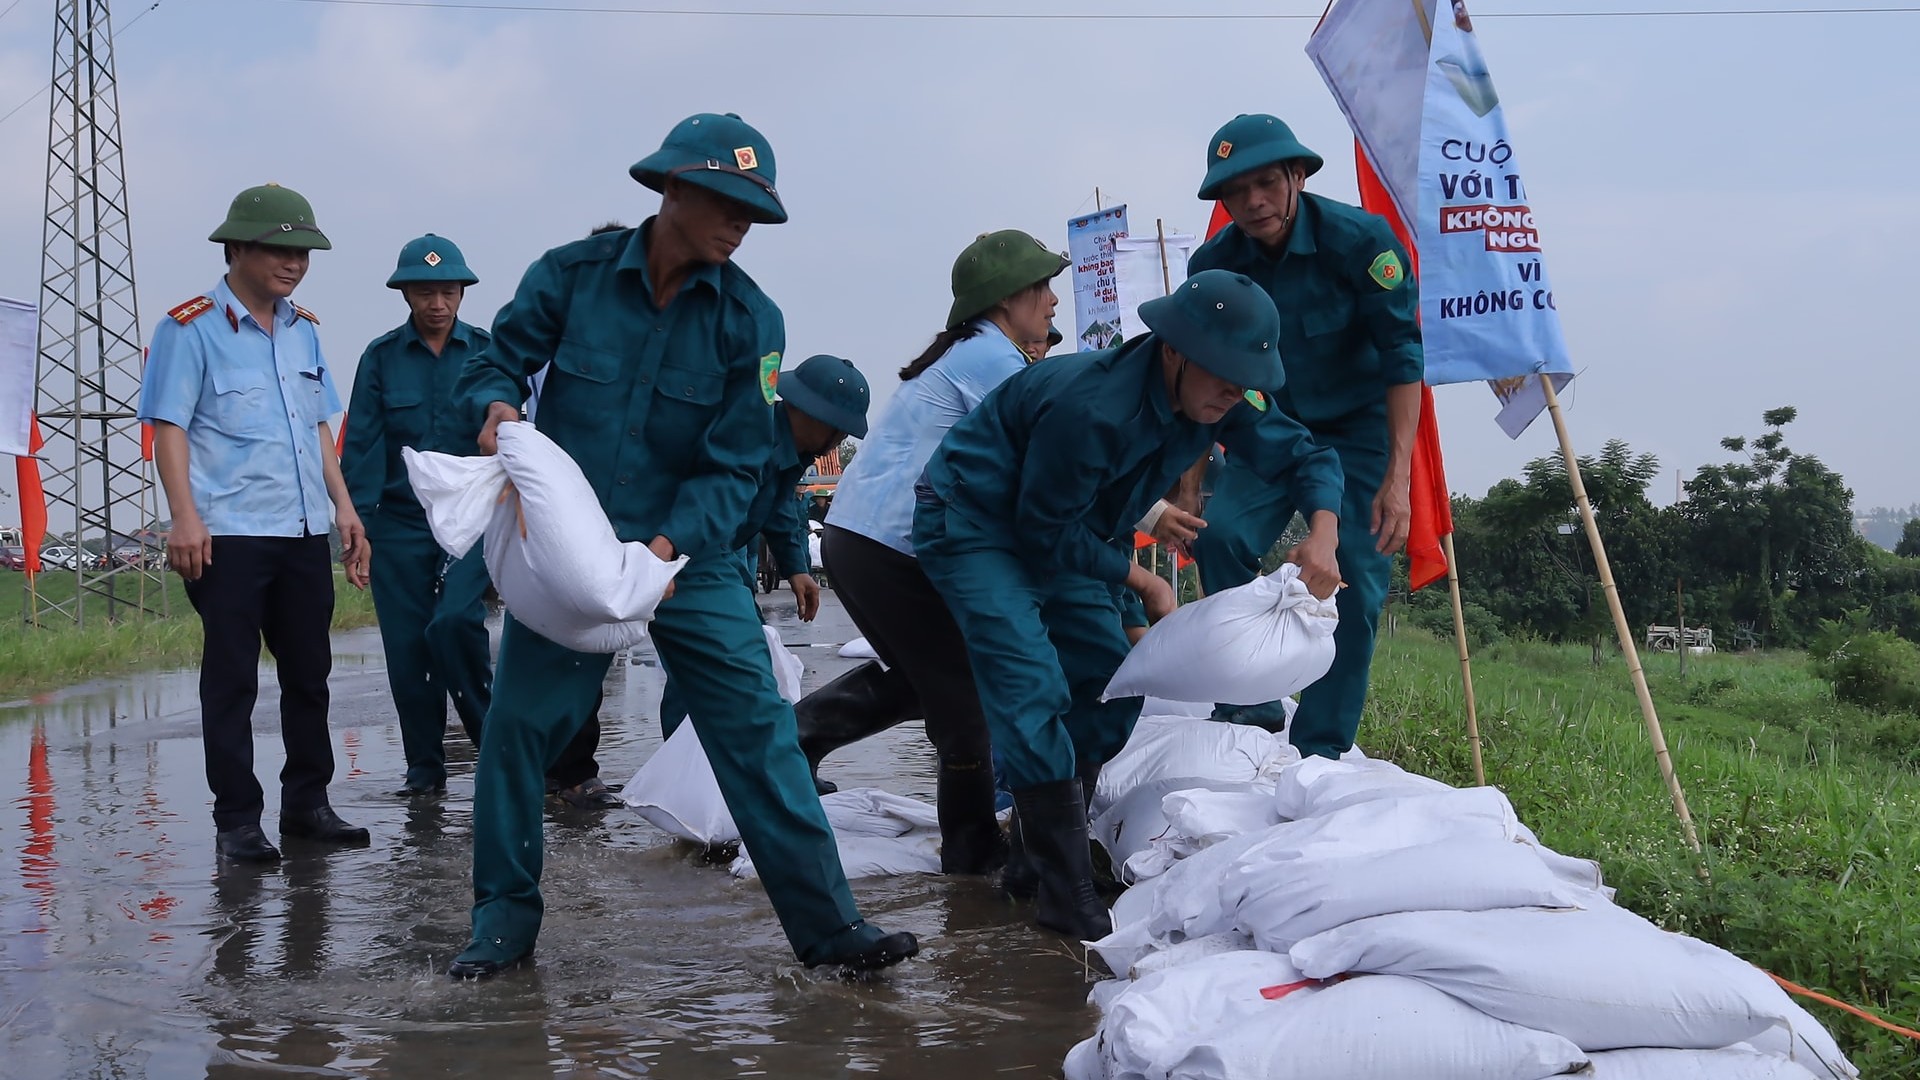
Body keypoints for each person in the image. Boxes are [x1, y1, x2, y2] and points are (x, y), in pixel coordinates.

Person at [445, 112, 914, 979]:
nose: (741, 225)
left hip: (690, 560)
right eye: (727, 204)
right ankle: (502, 929)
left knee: (760, 735)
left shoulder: (752, 322)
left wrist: (662, 555)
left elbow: (736, 464)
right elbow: (497, 358)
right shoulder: (571, 277)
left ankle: (831, 932)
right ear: (671, 188)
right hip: (573, 550)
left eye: (754, 213)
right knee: (516, 733)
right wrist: (499, 405)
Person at [911, 269, 1344, 941]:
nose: (1234, 394)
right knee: (1031, 687)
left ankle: (1032, 860)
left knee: (1108, 686)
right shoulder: (1092, 407)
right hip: (977, 521)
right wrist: (1143, 581)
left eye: (1245, 382)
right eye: (1225, 377)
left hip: (1074, 530)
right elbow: (1041, 530)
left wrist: (1323, 530)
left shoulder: (1220, 396)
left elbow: (1304, 455)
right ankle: (1066, 895)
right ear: (1174, 352)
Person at [794, 229, 1066, 876]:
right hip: (889, 546)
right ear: (1006, 298)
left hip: (865, 539)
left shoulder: (974, 353)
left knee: (926, 679)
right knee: (962, 697)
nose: (1054, 301)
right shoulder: (991, 360)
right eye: (1043, 287)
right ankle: (972, 852)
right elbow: (1057, 448)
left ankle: (795, 739)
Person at [138, 183, 373, 863]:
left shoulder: (304, 330)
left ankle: (307, 804)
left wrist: (344, 508)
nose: (294, 264)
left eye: (303, 253)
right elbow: (169, 428)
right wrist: (184, 518)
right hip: (228, 534)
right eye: (279, 251)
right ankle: (237, 820)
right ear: (237, 248)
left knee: (309, 675)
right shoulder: (189, 328)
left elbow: (318, 428)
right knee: (233, 680)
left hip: (301, 531)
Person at [1186, 113, 1423, 760]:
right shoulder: (1214, 265)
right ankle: (1249, 702)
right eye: (1236, 192)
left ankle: (1320, 747)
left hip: (1359, 434)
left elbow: (1403, 360)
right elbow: (1200, 375)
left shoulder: (1361, 243)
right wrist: (1189, 479)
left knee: (1354, 579)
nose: (1253, 202)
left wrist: (1398, 478)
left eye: (1266, 182)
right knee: (1221, 537)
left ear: (1298, 175)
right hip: (1270, 428)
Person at [341, 234, 493, 797]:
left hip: (471, 522)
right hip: (401, 523)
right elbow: (362, 445)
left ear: (462, 293)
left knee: (455, 624)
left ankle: (494, 748)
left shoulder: (487, 352)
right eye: (426, 292)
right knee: (408, 649)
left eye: (448, 292)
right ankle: (424, 769)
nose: (438, 304)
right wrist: (357, 525)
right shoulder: (381, 358)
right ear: (405, 294)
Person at [656, 354, 871, 734]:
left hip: (713, 554)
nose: (840, 440)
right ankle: (691, 754)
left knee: (727, 655)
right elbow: (710, 509)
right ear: (816, 416)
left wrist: (796, 568)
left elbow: (780, 507)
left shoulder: (793, 452)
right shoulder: (749, 439)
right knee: (714, 654)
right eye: (840, 430)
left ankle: (709, 753)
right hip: (690, 551)